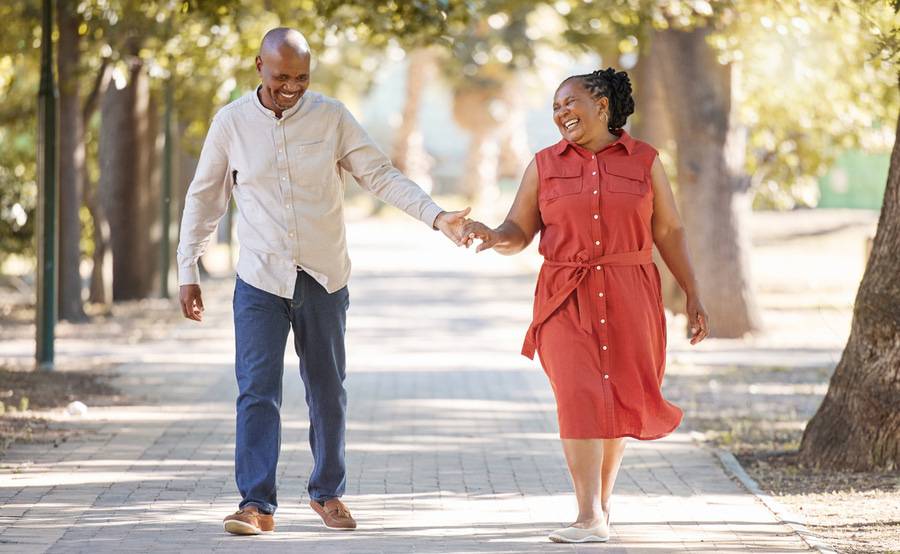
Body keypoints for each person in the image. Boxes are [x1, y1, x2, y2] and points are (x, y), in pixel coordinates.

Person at [176, 27, 470, 536]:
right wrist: (188, 269)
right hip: (261, 279)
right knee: (256, 392)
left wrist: (436, 216)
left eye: (302, 77)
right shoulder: (231, 123)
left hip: (323, 276)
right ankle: (255, 504)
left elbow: (379, 174)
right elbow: (204, 200)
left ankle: (328, 494)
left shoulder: (331, 116)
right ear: (258, 67)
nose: (292, 86)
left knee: (328, 390)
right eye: (281, 76)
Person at [461, 67, 709, 543]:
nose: (561, 113)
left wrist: (693, 292)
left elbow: (669, 231)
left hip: (631, 293)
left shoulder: (644, 160)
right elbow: (519, 229)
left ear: (601, 104)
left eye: (569, 102)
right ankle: (587, 516)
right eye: (555, 107)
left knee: (614, 398)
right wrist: (494, 237)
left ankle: (600, 509)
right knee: (579, 396)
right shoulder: (544, 164)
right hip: (564, 296)